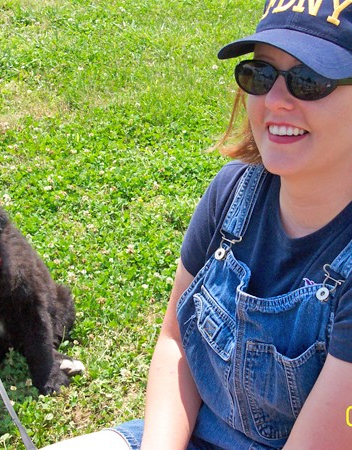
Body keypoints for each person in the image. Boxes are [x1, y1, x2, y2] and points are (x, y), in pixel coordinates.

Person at [41, 1, 352, 449]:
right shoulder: (234, 193)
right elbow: (176, 343)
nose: (276, 101)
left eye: (310, 81)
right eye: (260, 74)